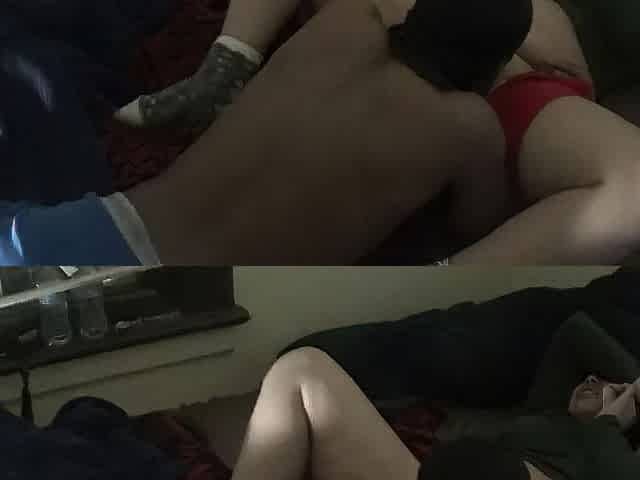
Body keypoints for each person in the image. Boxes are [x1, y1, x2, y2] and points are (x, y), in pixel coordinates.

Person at [191, 313, 640, 480]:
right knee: (303, 367)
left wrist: (611, 423)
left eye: (611, 388)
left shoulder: (611, 454)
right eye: (594, 377)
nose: (594, 379)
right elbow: (575, 330)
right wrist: (627, 394)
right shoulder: (547, 409)